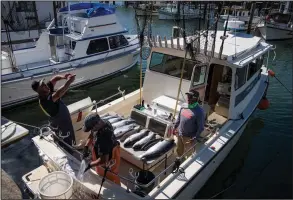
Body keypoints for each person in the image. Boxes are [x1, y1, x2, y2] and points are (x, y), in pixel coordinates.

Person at [31, 74, 76, 146]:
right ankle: (69, 150)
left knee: (65, 137)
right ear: (39, 91)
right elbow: (58, 94)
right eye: (43, 85)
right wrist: (69, 81)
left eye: (44, 83)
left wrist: (64, 77)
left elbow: (54, 79)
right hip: (62, 125)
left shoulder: (46, 90)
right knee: (66, 141)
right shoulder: (45, 101)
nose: (46, 85)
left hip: (61, 122)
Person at [82, 113, 121, 185]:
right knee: (100, 171)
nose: (91, 130)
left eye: (91, 128)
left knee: (111, 176)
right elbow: (92, 134)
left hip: (110, 159)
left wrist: (90, 164)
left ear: (96, 125)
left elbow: (103, 160)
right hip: (107, 149)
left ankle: (116, 187)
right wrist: (86, 147)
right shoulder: (103, 122)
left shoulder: (103, 138)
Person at [173, 90, 205, 157]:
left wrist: (195, 137)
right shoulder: (183, 106)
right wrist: (174, 127)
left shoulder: (200, 112)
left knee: (188, 155)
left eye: (190, 96)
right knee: (179, 151)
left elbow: (201, 127)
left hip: (189, 138)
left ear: (195, 98)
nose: (188, 98)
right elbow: (179, 118)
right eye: (188, 96)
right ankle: (178, 161)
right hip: (180, 134)